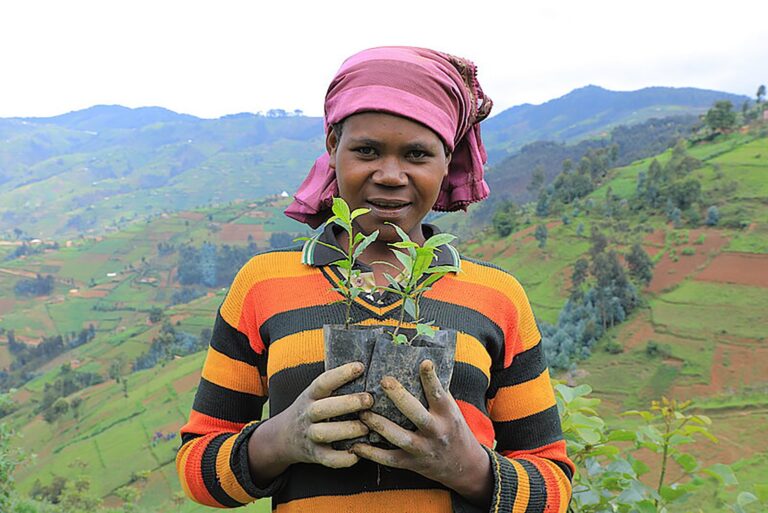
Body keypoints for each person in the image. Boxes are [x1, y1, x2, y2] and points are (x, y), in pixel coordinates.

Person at [176, 46, 574, 513]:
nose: (390, 175)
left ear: (447, 161)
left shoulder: (497, 297)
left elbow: (553, 486)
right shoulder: (262, 284)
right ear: (332, 149)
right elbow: (196, 469)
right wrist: (278, 441)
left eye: (417, 154)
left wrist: (466, 466)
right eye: (366, 150)